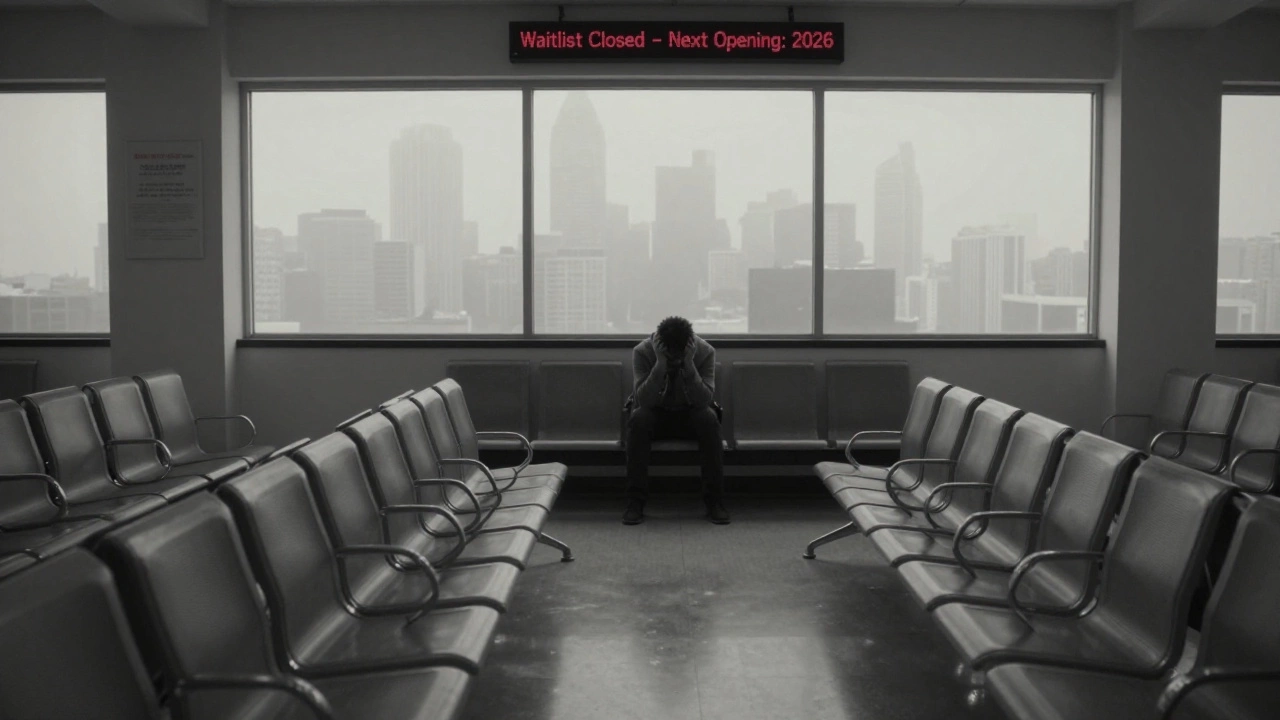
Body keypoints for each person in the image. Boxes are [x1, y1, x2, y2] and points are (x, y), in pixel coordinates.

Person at [623, 316, 729, 525]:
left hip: (690, 413)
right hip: (655, 413)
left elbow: (704, 400)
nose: (675, 360)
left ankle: (715, 501)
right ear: (660, 346)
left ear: (689, 346)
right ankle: (635, 502)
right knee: (638, 419)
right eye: (670, 355)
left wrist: (688, 365)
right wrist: (660, 365)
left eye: (678, 355)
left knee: (709, 419)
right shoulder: (642, 352)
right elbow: (643, 401)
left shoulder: (705, 351)